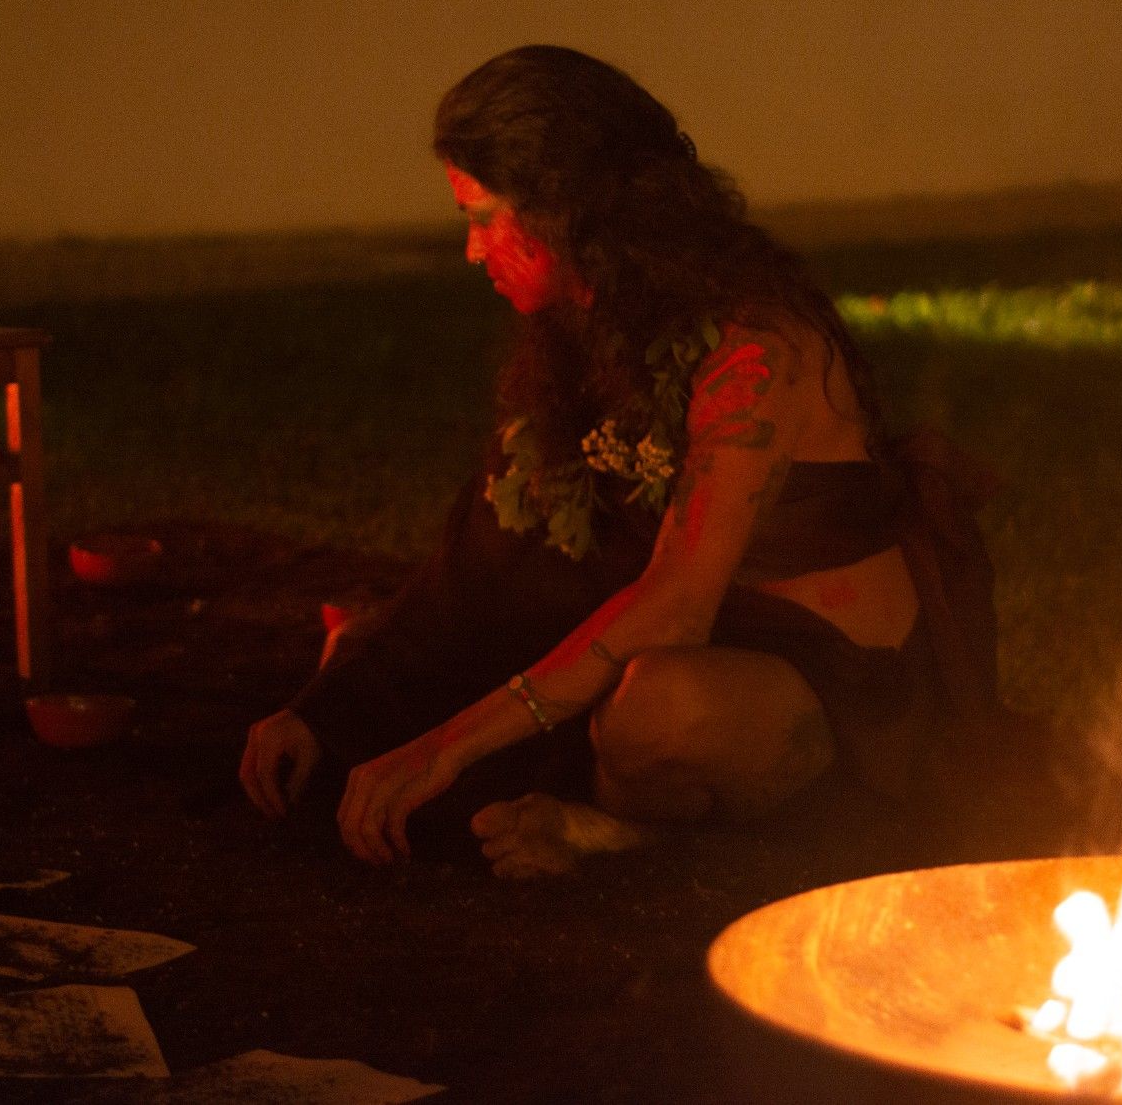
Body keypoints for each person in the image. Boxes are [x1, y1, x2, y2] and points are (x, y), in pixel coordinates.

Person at [238, 45, 1022, 877]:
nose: (472, 251)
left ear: (562, 210)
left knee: (660, 712)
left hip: (838, 702)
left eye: (482, 216)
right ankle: (577, 805)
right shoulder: (590, 322)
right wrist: (328, 709)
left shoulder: (758, 348)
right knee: (380, 654)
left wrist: (443, 751)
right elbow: (483, 563)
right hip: (685, 650)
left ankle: (625, 835)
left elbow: (675, 605)